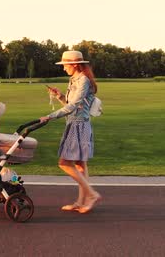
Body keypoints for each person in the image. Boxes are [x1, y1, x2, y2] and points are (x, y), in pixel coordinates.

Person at [39, 50, 102, 214]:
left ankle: (92, 194)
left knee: (64, 163)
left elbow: (73, 106)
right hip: (76, 124)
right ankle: (81, 202)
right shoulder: (74, 79)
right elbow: (71, 104)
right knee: (80, 166)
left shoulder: (83, 81)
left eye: (65, 65)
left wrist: (50, 116)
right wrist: (60, 96)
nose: (63, 68)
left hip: (79, 126)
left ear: (74, 64)